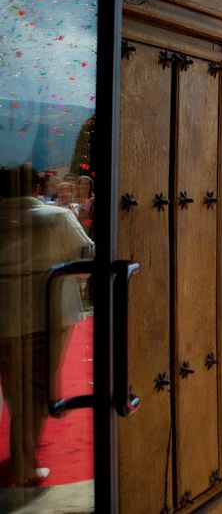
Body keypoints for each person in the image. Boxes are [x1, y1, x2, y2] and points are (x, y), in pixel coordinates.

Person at [0, 165, 94, 487]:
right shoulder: (56, 217)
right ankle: (24, 465)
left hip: (5, 316)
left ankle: (21, 455)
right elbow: (87, 257)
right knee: (36, 392)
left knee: (15, 390)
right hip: (47, 315)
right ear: (38, 184)